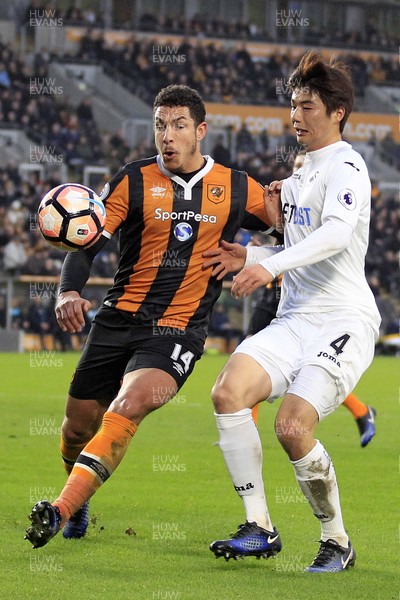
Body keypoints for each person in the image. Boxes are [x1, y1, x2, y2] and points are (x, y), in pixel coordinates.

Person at [24, 84, 278, 549]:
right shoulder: (132, 179)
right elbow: (88, 241)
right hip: (116, 320)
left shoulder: (237, 187)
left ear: (200, 131)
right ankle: (79, 504)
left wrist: (254, 254)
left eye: (179, 125)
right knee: (76, 427)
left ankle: (58, 509)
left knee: (130, 404)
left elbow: (293, 224)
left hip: (177, 330)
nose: (168, 135)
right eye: (161, 125)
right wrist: (68, 292)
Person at [202, 51, 381, 572]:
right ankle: (259, 526)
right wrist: (250, 255)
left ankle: (337, 542)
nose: (295, 116)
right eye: (294, 105)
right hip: (295, 318)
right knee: (227, 392)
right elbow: (299, 240)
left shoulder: (347, 164)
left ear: (337, 111)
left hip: (344, 320)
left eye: (307, 106)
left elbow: (336, 235)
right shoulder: (300, 171)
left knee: (291, 427)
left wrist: (271, 264)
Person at [248, 154, 377, 448]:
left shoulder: (329, 197)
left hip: (317, 302)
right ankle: (248, 430)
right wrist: (262, 240)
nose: (299, 172)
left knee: (313, 370)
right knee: (251, 359)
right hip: (280, 296)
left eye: (303, 167)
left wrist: (266, 255)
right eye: (294, 167)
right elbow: (286, 238)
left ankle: (361, 411)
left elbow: (316, 242)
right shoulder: (290, 194)